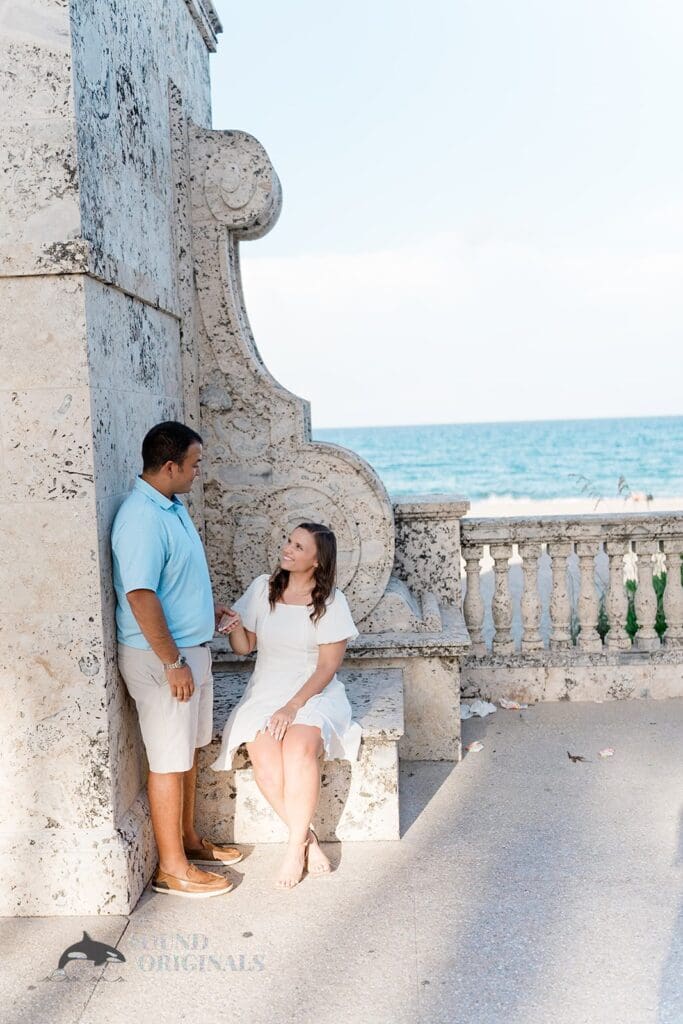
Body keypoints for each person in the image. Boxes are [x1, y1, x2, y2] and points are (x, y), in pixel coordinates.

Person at [111, 421, 242, 899]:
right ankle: (172, 869)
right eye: (193, 465)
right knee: (168, 760)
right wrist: (172, 662)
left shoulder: (171, 505)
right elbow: (141, 595)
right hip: (162, 660)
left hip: (189, 651)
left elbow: (175, 582)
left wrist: (209, 613)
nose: (197, 472)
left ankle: (188, 841)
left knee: (186, 752)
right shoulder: (141, 518)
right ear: (169, 466)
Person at [212, 522, 362, 890]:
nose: (287, 549)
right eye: (288, 541)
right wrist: (233, 623)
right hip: (266, 689)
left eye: (298, 546)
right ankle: (307, 838)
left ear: (316, 561)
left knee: (298, 748)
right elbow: (244, 647)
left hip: (313, 692)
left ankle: (294, 850)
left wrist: (292, 707)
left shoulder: (331, 602)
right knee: (263, 756)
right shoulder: (264, 588)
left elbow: (328, 667)